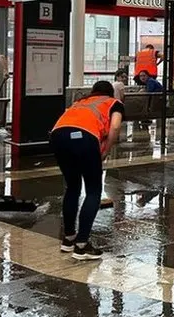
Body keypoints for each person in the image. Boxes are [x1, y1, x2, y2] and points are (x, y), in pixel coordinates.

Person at [51, 81, 125, 261]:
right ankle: (82, 245)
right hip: (84, 137)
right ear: (110, 93)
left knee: (72, 187)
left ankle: (68, 239)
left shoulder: (80, 102)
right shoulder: (113, 103)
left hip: (57, 136)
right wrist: (106, 149)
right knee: (93, 190)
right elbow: (115, 126)